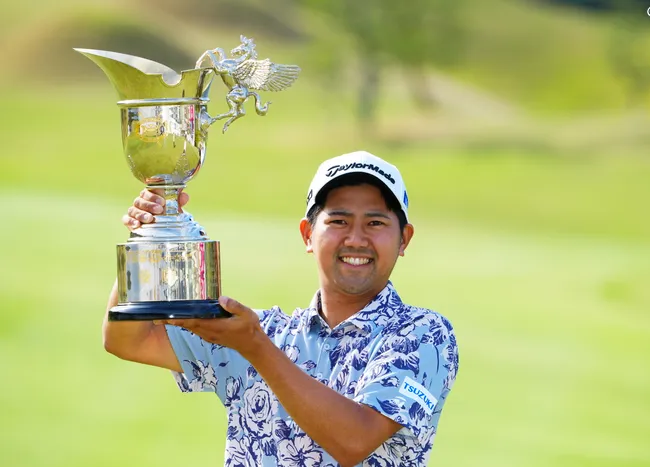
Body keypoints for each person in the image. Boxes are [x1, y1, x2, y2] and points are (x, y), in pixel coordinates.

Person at [104, 150, 459, 467]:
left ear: (403, 239)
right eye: (338, 221)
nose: (355, 238)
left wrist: (255, 346)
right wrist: (152, 237)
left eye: (375, 223)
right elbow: (129, 339)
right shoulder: (265, 332)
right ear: (307, 234)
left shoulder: (422, 335)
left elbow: (354, 441)